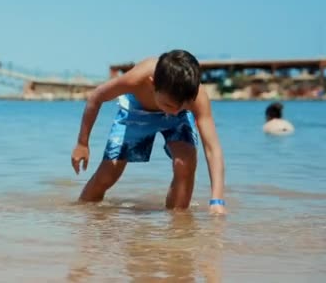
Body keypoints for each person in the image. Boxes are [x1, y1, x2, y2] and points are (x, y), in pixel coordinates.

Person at [71, 50, 226, 214]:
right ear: (152, 84)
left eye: (182, 105)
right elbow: (96, 97)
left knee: (185, 163)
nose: (173, 112)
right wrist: (82, 143)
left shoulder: (195, 97)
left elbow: (212, 149)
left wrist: (217, 200)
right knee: (107, 175)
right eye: (169, 105)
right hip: (136, 112)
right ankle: (83, 214)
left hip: (178, 122)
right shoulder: (136, 79)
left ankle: (178, 224)